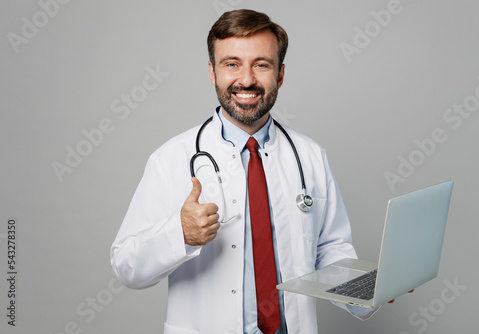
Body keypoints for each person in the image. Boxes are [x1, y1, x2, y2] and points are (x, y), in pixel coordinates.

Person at [111, 9, 377, 334]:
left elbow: (328, 249)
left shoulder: (310, 156)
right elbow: (126, 265)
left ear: (280, 74)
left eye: (261, 65)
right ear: (212, 72)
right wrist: (179, 234)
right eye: (232, 64)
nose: (247, 80)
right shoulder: (171, 158)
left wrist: (365, 290)